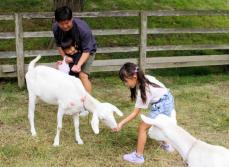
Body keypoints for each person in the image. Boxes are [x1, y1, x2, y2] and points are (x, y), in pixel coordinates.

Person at [113, 62, 176, 164]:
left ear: (134, 76)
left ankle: (139, 156)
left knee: (142, 127)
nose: (125, 84)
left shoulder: (144, 90)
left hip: (162, 105)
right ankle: (167, 145)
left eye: (125, 81)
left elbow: (135, 113)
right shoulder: (146, 77)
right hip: (168, 99)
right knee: (159, 125)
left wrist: (121, 123)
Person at [53, 6, 96, 94]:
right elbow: (59, 45)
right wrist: (65, 58)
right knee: (70, 75)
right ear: (57, 22)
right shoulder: (56, 28)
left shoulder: (83, 29)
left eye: (67, 23)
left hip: (86, 51)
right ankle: (74, 99)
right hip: (71, 51)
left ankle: (88, 103)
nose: (65, 26)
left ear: (72, 19)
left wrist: (78, 65)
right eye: (61, 24)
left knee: (82, 75)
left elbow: (86, 50)